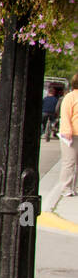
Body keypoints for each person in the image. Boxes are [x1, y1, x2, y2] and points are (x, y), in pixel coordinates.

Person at [45, 77, 77, 211]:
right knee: (69, 161)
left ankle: (73, 186)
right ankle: (66, 187)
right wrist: (67, 130)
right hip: (71, 133)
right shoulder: (70, 97)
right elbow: (65, 114)